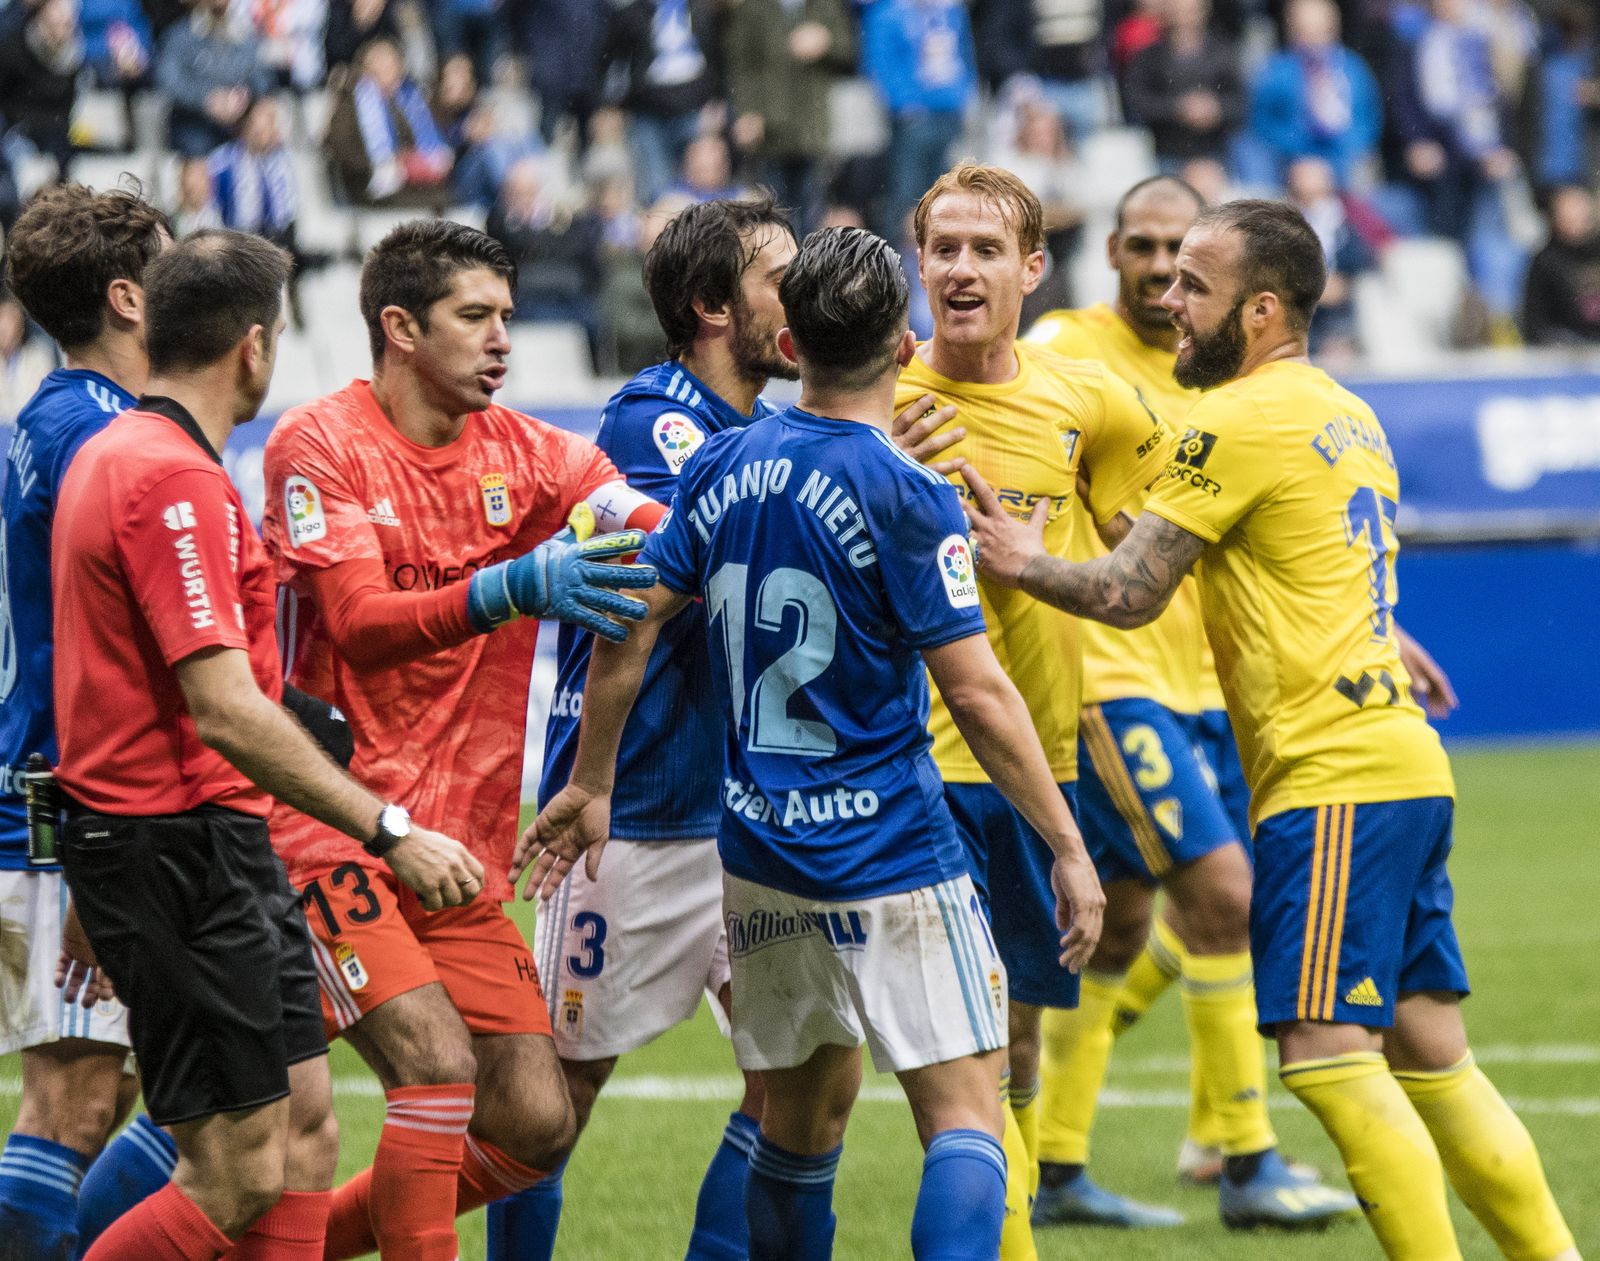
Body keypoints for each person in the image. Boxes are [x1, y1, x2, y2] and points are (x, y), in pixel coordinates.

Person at [961, 197, 1580, 1261]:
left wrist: (1021, 560)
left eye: (1192, 285)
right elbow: (1193, 537)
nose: (1168, 299)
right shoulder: (1342, 411)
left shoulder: (1233, 420)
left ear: (1255, 310)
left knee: (1325, 1053)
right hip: (1403, 767)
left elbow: (1125, 589)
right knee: (1432, 1055)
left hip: (1328, 774)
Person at [519, 223, 1105, 1261]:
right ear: (907, 343)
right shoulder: (910, 491)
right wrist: (1065, 843)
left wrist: (589, 776)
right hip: (889, 848)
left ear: (791, 345)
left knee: (795, 1123)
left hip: (758, 853)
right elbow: (975, 690)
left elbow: (632, 615)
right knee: (966, 1115)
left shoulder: (723, 466)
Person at [48, 228, 482, 1261]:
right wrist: (389, 829)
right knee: (237, 1168)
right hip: (179, 846)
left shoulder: (125, 456)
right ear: (254, 346)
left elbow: (109, 686)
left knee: (304, 1132)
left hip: (196, 843)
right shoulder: (169, 479)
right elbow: (224, 708)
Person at [261, 219, 661, 1261]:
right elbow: (356, 620)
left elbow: (647, 523)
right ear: (399, 326)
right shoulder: (320, 443)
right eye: (474, 317)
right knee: (434, 1069)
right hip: (331, 827)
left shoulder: (536, 454)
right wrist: (514, 584)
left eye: (506, 319)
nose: (500, 341)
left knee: (532, 1121)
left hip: (459, 847)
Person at [1021, 174, 1359, 1230]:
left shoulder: (1214, 370)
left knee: (1120, 929)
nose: (1161, 271)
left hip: (1204, 678)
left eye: (1182, 253)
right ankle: (1244, 1156)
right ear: (1111, 247)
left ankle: (1061, 1166)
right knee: (1223, 896)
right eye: (1143, 246)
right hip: (1110, 682)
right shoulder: (1067, 351)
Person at [891, 163, 1173, 1256]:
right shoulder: (872, 391)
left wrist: (1025, 562)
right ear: (917, 264)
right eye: (944, 249)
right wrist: (870, 461)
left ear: (1032, 268)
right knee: (934, 1063)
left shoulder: (1086, 400)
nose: (962, 269)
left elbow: (1146, 572)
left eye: (985, 250)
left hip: (1031, 762)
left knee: (1010, 1038)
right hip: (904, 768)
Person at [0, 183, 168, 1261]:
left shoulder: (56, 415)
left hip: (67, 795)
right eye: (171, 264)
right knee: (68, 1100)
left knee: (155, 1087)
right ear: (127, 296)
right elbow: (101, 653)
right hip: (71, 807)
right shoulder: (93, 434)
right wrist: (99, 834)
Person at [1521, 184, 1600, 346]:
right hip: (1565, 353)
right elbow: (1535, 325)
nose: (1575, 216)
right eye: (1567, 211)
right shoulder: (1545, 261)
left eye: (1579, 209)